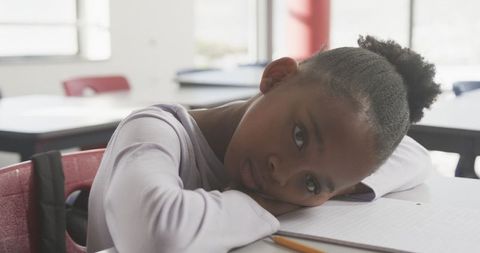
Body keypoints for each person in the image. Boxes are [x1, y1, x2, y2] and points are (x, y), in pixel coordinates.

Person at [87, 35, 441, 253]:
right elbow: (157, 238)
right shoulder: (155, 129)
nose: (282, 174)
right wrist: (266, 205)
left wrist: (331, 188)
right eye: (299, 136)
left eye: (311, 183)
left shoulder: (325, 161)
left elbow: (417, 156)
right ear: (277, 77)